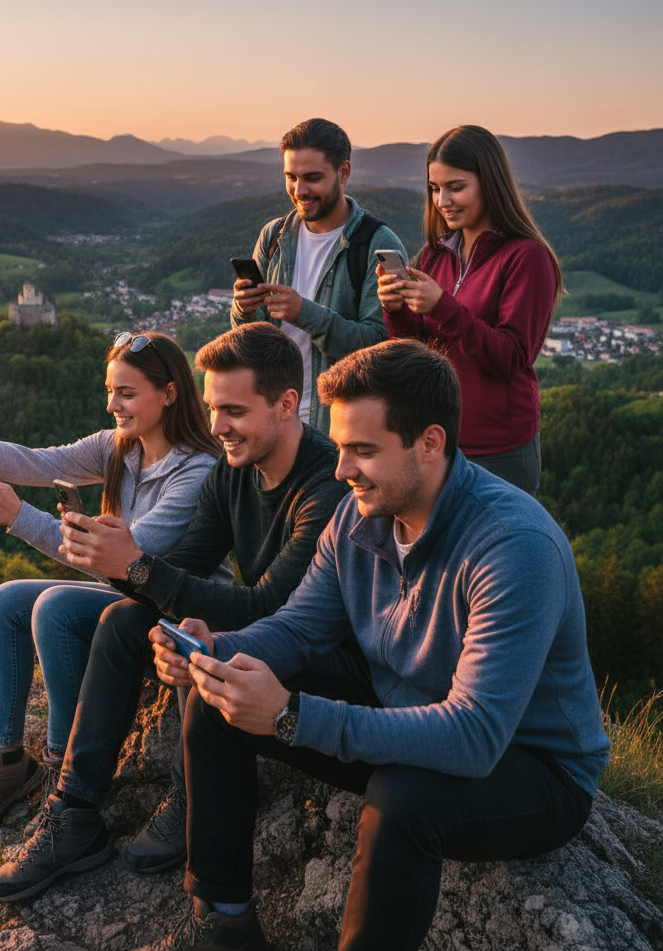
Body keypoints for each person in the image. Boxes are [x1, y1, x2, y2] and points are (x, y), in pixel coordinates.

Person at [142, 338, 609, 951]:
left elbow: (473, 737)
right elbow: (300, 628)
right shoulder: (359, 516)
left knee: (403, 798)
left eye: (363, 451)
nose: (341, 471)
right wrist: (216, 650)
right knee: (220, 696)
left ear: (431, 443)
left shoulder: (513, 547)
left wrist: (289, 717)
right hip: (401, 713)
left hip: (528, 766)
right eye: (339, 449)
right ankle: (223, 918)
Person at [0, 322, 351, 902]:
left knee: (185, 630)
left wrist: (139, 566)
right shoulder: (234, 471)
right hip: (259, 633)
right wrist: (125, 565)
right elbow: (188, 565)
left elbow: (274, 609)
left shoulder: (325, 487)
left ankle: (191, 796)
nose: (216, 427)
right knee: (123, 621)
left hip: (317, 654)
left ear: (286, 404)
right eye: (211, 408)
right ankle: (74, 811)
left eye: (232, 410)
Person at [0, 330, 224, 835]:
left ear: (170, 393)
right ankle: (5, 760)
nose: (112, 404)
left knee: (55, 605)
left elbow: (110, 562)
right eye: (110, 391)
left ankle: (62, 770)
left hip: (174, 617)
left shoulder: (194, 473)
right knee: (7, 599)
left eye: (127, 394)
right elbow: (40, 462)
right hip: (128, 599)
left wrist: (17, 516)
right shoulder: (120, 449)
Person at [378, 124, 563, 495]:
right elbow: (415, 354)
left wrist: (443, 307)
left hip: (498, 451)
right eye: (434, 188)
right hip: (437, 441)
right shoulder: (435, 255)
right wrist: (396, 308)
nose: (442, 200)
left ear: (490, 183)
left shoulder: (526, 257)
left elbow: (511, 357)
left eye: (455, 187)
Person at [231, 117, 407, 432]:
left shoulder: (376, 244)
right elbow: (252, 339)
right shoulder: (275, 236)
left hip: (336, 430)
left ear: (344, 172)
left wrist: (306, 314)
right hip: (274, 420)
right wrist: (243, 309)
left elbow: (382, 348)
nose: (300, 190)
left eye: (312, 177)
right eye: (291, 177)